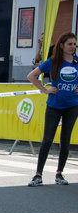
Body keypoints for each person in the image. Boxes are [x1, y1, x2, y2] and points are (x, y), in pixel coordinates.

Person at [27, 32, 78, 187]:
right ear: (62, 45)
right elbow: (31, 76)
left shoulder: (76, 62)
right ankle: (38, 175)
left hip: (72, 106)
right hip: (54, 105)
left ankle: (59, 174)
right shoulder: (53, 61)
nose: (73, 47)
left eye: (75, 44)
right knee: (47, 140)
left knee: (65, 141)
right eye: (70, 44)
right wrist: (45, 90)